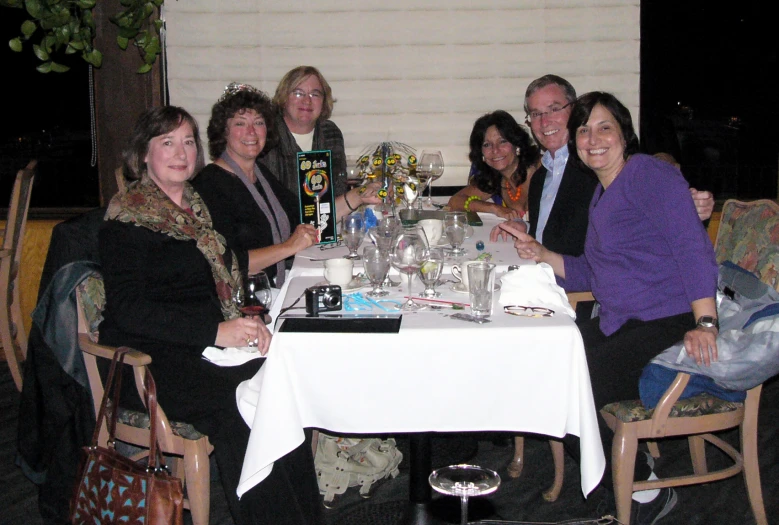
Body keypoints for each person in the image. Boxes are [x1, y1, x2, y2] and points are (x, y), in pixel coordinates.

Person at [500, 92, 719, 523]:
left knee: (576, 386)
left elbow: (692, 248)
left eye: (605, 128)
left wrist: (706, 322)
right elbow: (592, 274)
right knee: (542, 365)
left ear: (624, 135)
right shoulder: (604, 194)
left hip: (668, 319)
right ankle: (629, 478)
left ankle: (643, 493)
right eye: (584, 130)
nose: (593, 138)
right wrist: (540, 252)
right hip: (623, 320)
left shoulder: (647, 175)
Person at [99, 106, 323, 525]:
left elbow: (227, 270)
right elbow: (130, 311)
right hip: (149, 360)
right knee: (238, 402)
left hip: (202, 345)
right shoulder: (127, 219)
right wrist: (217, 330)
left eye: (187, 141)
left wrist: (247, 322)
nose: (181, 152)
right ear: (143, 155)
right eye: (167, 143)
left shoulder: (196, 210)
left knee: (281, 380)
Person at [490, 74, 715, 255]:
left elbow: (645, 181)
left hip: (580, 295)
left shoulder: (597, 165)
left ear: (576, 110)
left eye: (554, 109)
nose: (544, 121)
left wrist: (684, 203)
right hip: (544, 278)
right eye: (536, 113)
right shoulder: (541, 176)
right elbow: (562, 234)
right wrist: (526, 229)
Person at [262, 66, 348, 198]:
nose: (307, 101)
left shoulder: (330, 133)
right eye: (298, 93)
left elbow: (338, 189)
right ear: (284, 99)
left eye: (315, 94)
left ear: (323, 101)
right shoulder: (266, 135)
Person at [448, 110, 540, 219]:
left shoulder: (541, 169)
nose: (495, 150)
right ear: (481, 153)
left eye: (502, 141)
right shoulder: (497, 179)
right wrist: (495, 208)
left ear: (516, 144)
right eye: (487, 145)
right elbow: (455, 201)